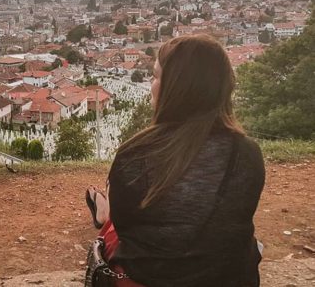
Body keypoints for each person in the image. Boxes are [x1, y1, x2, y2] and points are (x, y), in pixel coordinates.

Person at [85, 35, 265, 287]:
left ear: (176, 87)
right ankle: (104, 209)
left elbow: (126, 229)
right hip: (228, 278)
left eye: (156, 76)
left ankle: (104, 210)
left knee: (112, 229)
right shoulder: (247, 153)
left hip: (149, 278)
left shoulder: (135, 154)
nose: (151, 82)